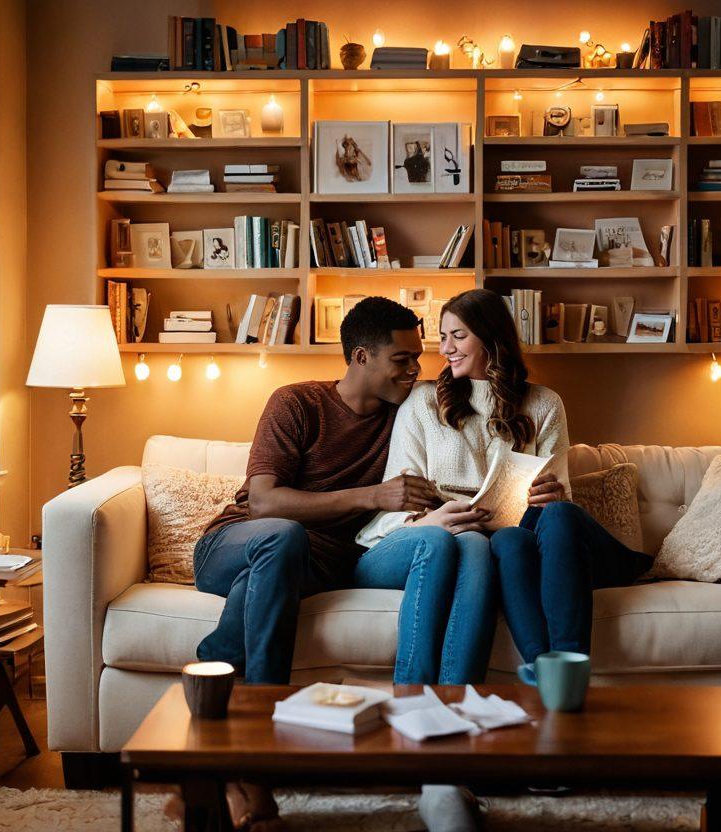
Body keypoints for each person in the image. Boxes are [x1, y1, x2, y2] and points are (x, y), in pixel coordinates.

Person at [357, 288, 653, 831]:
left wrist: (547, 495)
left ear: (492, 339)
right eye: (441, 336)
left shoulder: (543, 403)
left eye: (457, 336)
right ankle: (552, 706)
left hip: (538, 528)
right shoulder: (425, 402)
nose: (444, 348)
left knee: (550, 521)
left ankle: (555, 705)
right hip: (459, 535)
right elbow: (399, 488)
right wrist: (432, 519)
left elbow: (556, 491)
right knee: (503, 544)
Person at [193, 296, 442, 683]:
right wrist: (373, 495)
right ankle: (267, 696)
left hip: (317, 566)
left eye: (417, 358)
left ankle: (216, 663)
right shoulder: (296, 403)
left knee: (266, 576)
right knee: (283, 536)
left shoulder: (408, 414)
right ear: (361, 356)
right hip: (233, 546)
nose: (415, 370)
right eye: (401, 359)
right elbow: (262, 503)